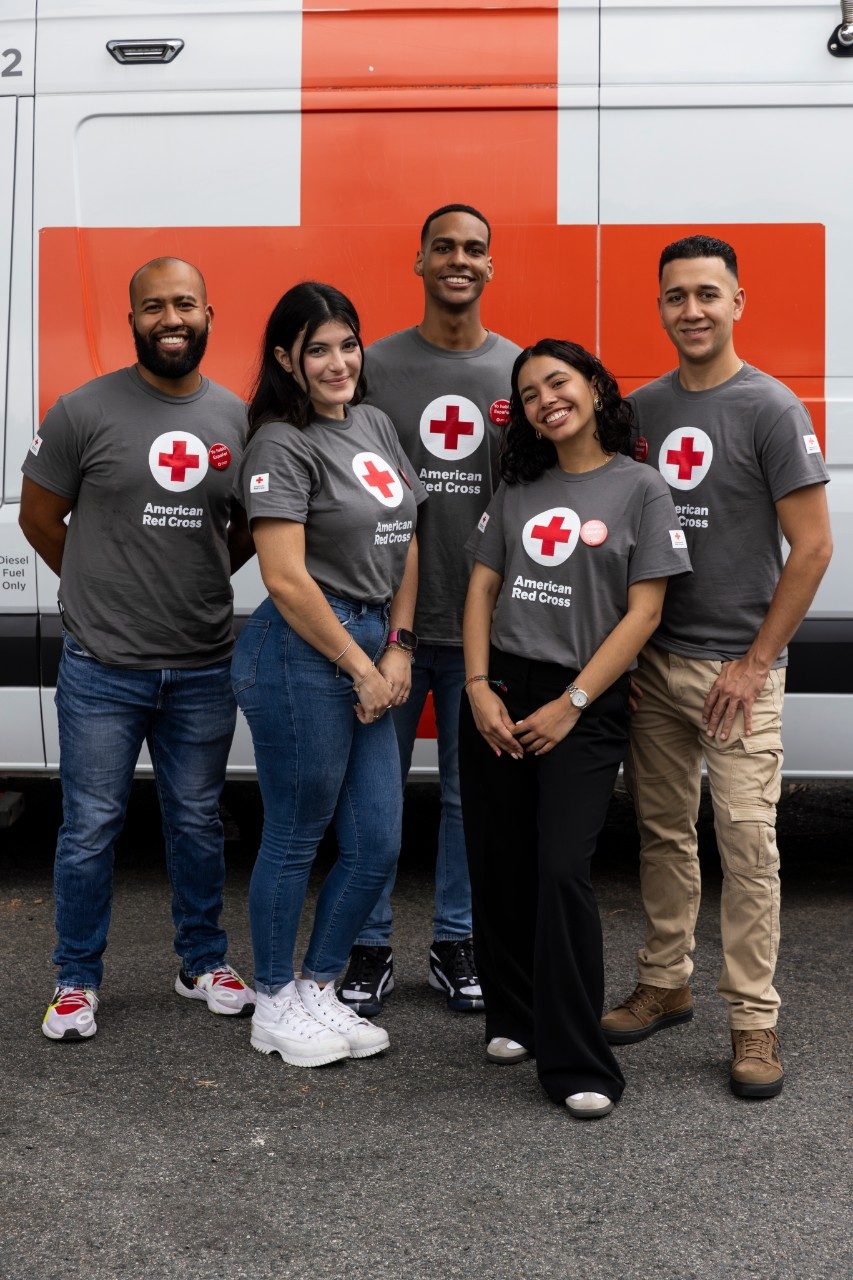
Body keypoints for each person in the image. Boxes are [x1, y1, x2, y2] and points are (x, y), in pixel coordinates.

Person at [602, 235, 832, 1099]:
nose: (690, 310)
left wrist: (754, 662)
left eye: (706, 294)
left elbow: (811, 549)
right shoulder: (642, 410)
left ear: (738, 301)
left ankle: (753, 1023)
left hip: (739, 669)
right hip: (656, 662)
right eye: (674, 297)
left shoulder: (770, 407)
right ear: (658, 307)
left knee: (746, 844)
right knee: (661, 833)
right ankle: (665, 982)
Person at [19, 257, 255, 1041]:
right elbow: (39, 517)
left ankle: (201, 962)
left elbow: (253, 527)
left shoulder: (237, 418)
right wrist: (97, 584)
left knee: (194, 821)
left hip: (201, 664)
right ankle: (76, 980)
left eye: (184, 302)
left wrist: (194, 579)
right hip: (102, 667)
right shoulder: (83, 410)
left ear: (209, 313)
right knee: (89, 827)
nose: (170, 318)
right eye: (153, 306)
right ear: (132, 320)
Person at [460, 339, 691, 1118]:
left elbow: (646, 611)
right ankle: (513, 1017)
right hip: (503, 686)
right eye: (526, 393)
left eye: (556, 382)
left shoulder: (641, 488)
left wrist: (575, 702)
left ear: (594, 386)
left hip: (581, 700)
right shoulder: (518, 482)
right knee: (498, 859)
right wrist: (476, 686)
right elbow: (481, 587)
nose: (543, 400)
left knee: (561, 867)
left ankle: (576, 1061)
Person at [232, 281, 426, 1067]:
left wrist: (399, 647)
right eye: (318, 349)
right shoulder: (280, 442)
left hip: (374, 637)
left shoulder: (374, 421)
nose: (338, 361)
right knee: (294, 833)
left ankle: (318, 985)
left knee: (377, 842)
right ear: (286, 359)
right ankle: (273, 1000)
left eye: (347, 343)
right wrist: (358, 665)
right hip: (302, 650)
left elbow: (408, 537)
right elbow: (282, 576)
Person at [339, 204, 520, 1017]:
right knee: (372, 795)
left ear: (490, 266)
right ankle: (367, 944)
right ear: (417, 263)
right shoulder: (371, 367)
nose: (459, 259)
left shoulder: (520, 371)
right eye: (443, 247)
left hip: (484, 627)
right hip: (387, 628)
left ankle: (455, 940)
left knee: (463, 796)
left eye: (474, 249)